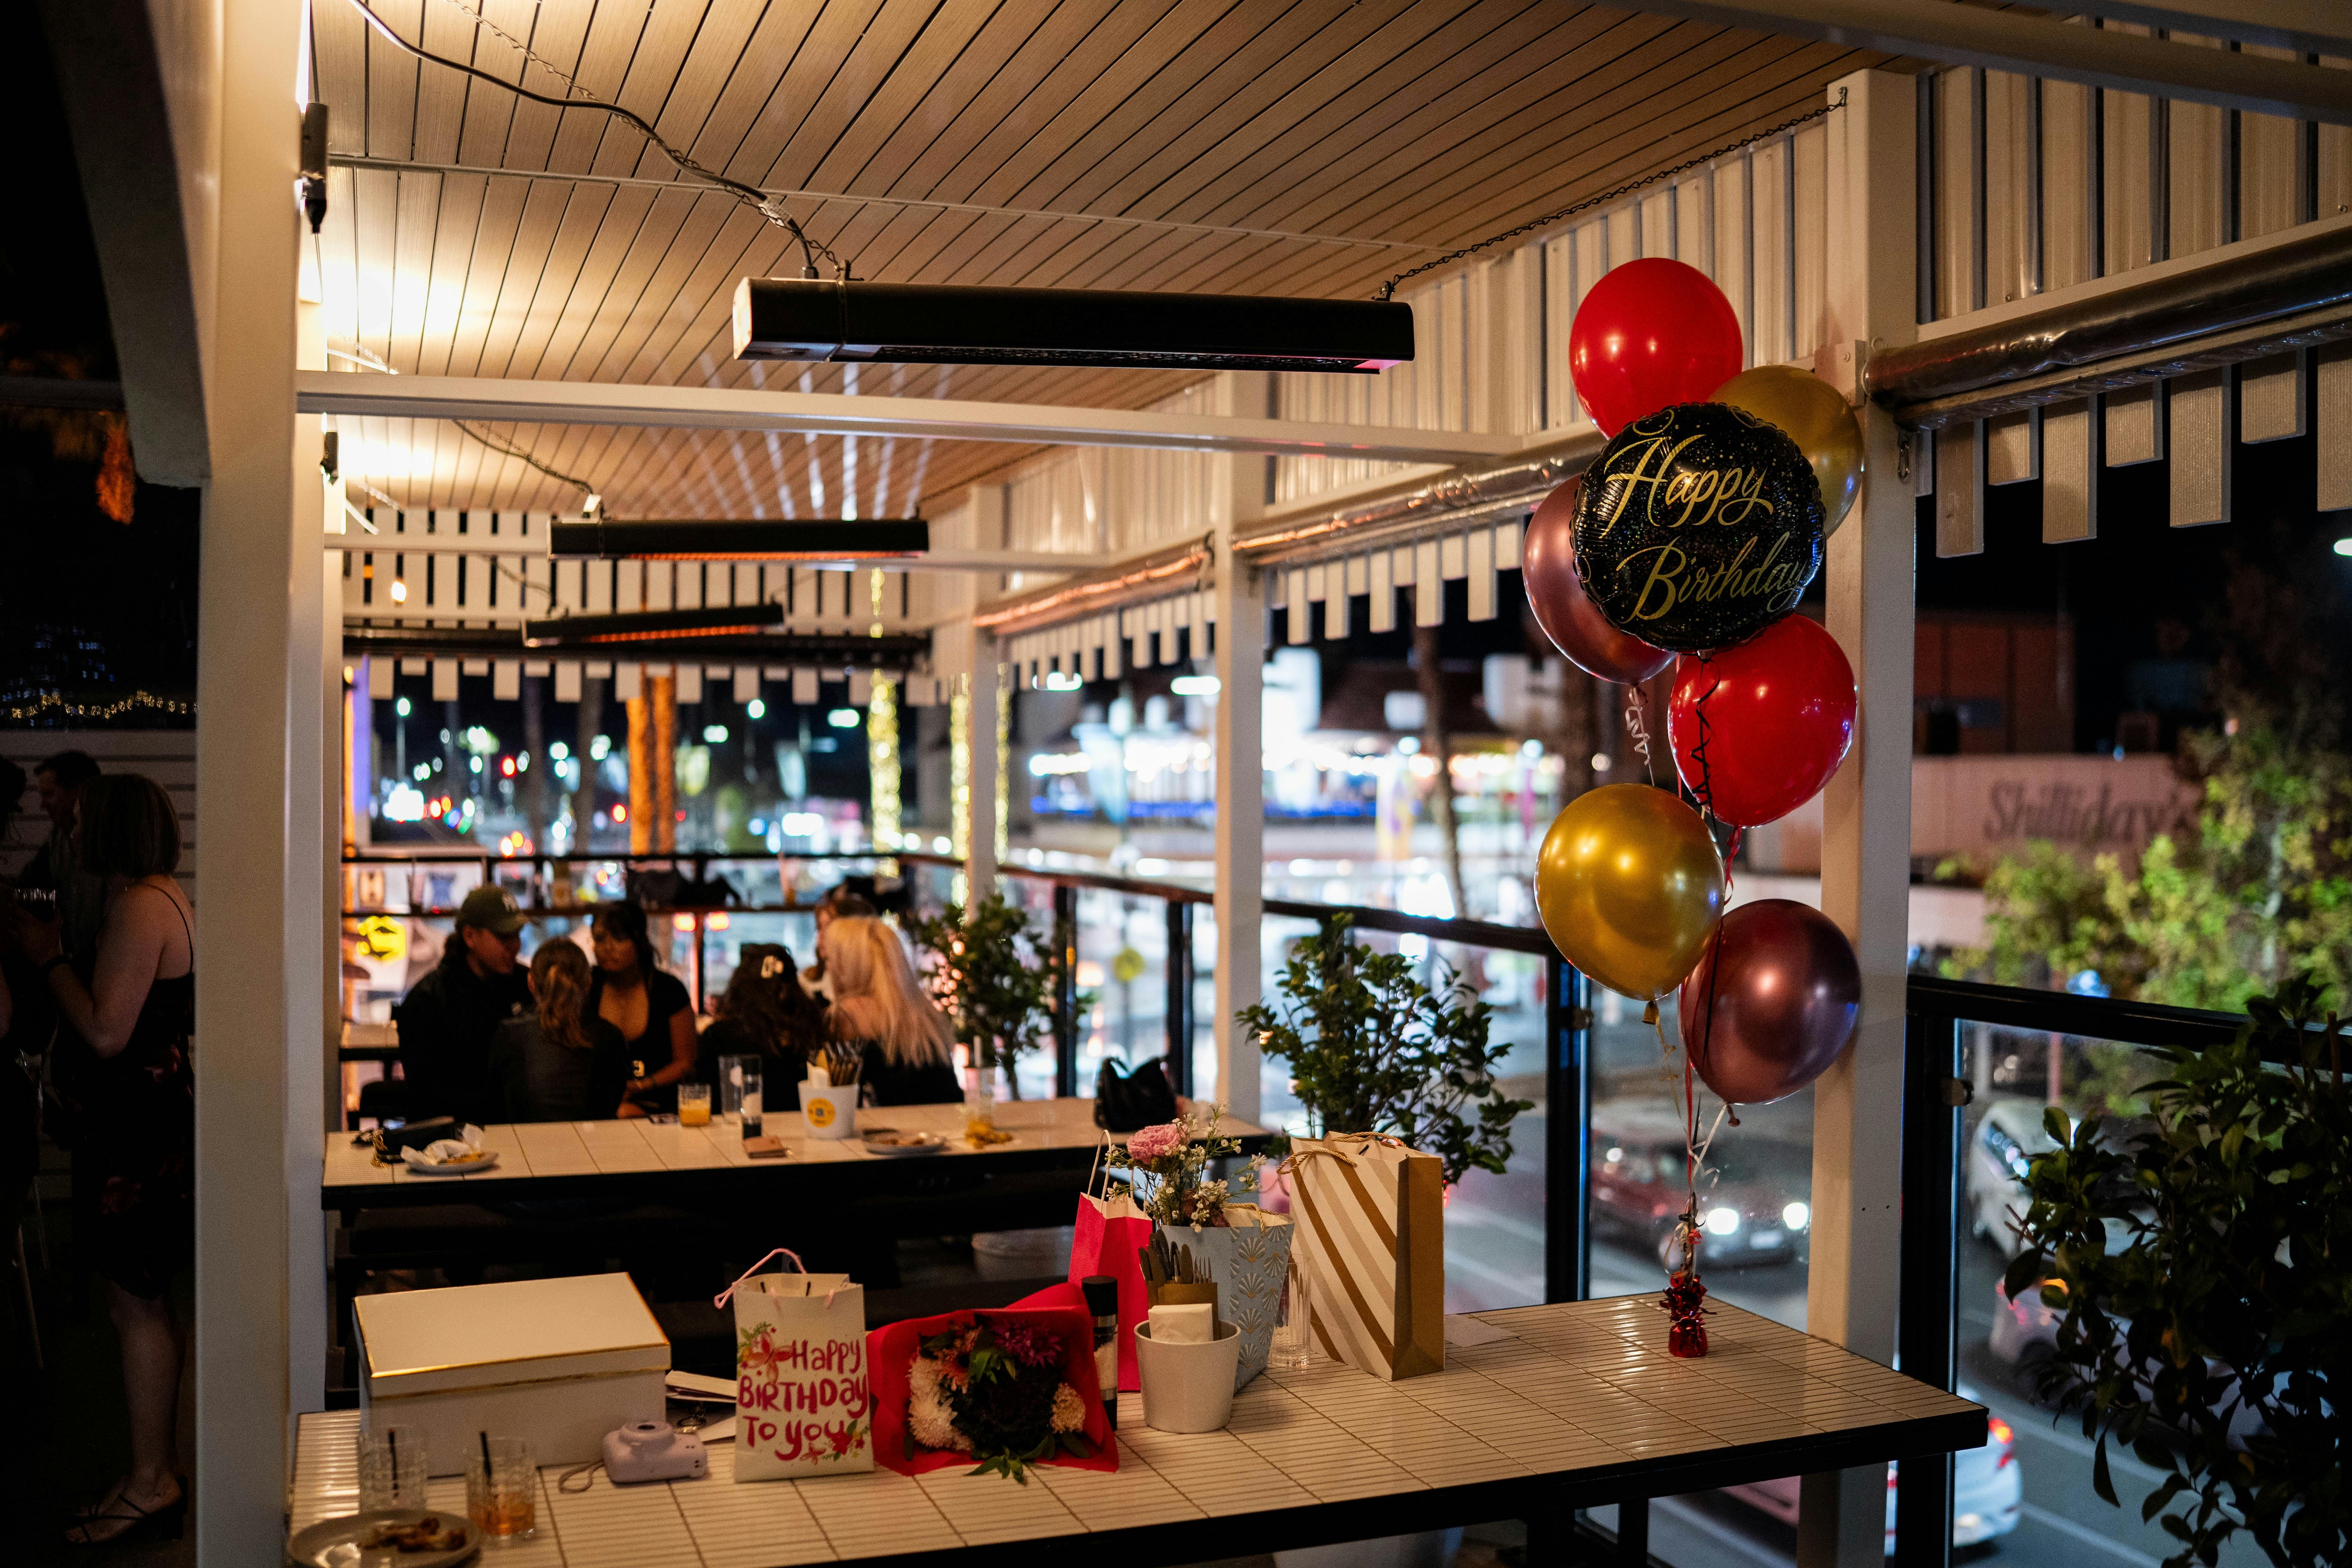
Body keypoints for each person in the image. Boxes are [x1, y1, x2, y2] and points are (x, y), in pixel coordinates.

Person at [4, 774, 193, 1547]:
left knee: (135, 1303)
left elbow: (109, 1031)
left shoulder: (140, 904)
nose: (72, 835)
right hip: (143, 1126)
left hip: (135, 1134)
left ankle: (152, 1481)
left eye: (81, 823)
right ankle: (151, 1472)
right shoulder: (162, 895)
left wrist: (50, 959)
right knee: (138, 1299)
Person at [395, 885, 531, 1127]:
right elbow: (427, 1095)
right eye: (503, 936)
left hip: (518, 1130)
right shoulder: (429, 1000)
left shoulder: (527, 985)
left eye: (517, 934)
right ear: (470, 937)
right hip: (450, 1143)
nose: (515, 945)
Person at [820, 916, 961, 1106]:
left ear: (845, 966)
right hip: (943, 1125)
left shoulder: (847, 1015)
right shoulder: (924, 1012)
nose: (827, 968)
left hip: (886, 1130)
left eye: (828, 960)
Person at [487, 940, 629, 1122]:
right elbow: (612, 1102)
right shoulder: (611, 1037)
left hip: (524, 1146)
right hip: (595, 1146)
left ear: (531, 983)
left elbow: (496, 1106)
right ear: (589, 983)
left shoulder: (509, 1034)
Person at [588, 903, 696, 1118]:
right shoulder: (588, 988)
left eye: (618, 938)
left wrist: (642, 1086)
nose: (608, 947)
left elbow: (686, 1063)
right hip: (600, 1103)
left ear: (639, 940)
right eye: (600, 939)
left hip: (659, 1103)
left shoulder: (668, 990)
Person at [697, 944, 826, 1111]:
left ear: (741, 986)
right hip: (808, 1129)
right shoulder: (811, 1030)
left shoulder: (719, 1036)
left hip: (737, 1133)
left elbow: (703, 1098)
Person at [22, 749, 105, 960]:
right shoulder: (57, 840)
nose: (42, 806)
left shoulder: (113, 848)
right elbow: (29, 885)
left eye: (49, 794)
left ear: (79, 791)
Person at [797, 885, 877, 1001]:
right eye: (819, 928)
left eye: (830, 928)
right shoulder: (807, 984)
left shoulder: (877, 986)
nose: (821, 936)